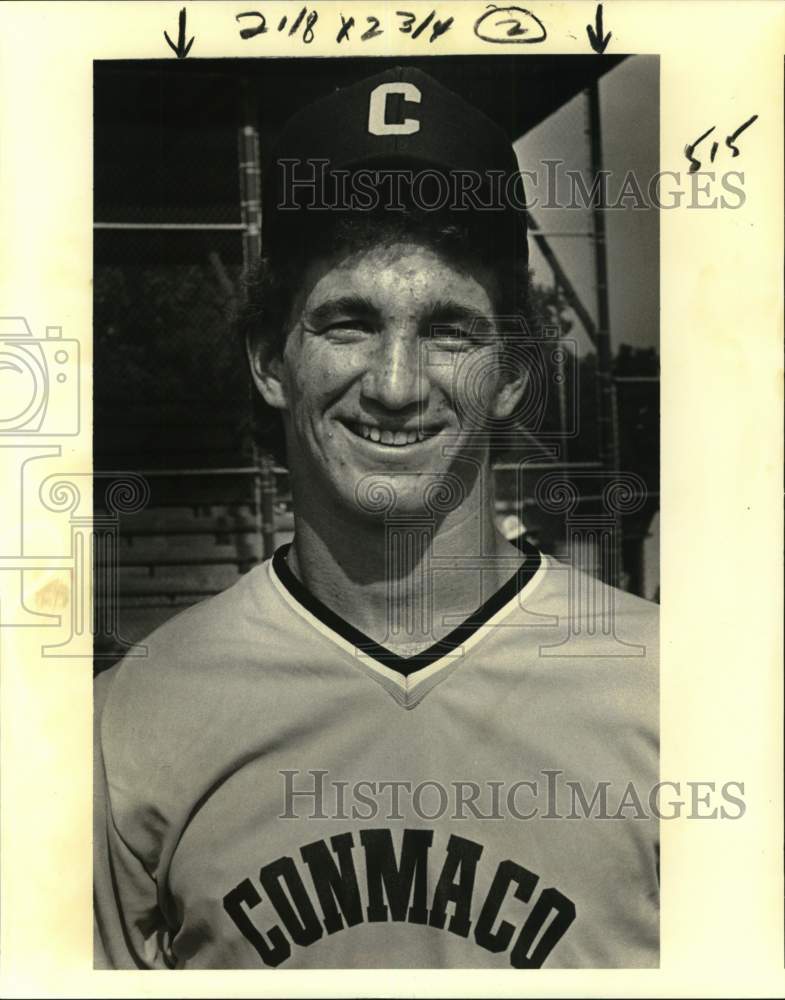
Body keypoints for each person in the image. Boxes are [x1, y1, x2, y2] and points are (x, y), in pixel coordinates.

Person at [94, 65, 658, 970]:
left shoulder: (677, 696)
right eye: (348, 323)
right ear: (270, 361)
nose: (395, 386)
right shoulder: (126, 725)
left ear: (512, 372)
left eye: (448, 330)